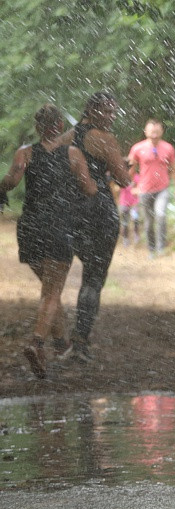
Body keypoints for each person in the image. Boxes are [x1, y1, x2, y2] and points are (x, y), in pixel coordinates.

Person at [0, 104, 97, 376]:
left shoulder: (25, 153)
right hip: (58, 228)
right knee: (52, 293)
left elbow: (11, 181)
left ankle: (61, 343)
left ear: (37, 127)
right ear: (59, 127)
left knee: (49, 291)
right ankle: (36, 343)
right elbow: (89, 188)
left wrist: (2, 187)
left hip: (30, 227)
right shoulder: (73, 153)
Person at [55, 91, 130, 363]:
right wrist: (122, 169)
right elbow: (124, 181)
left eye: (113, 112)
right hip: (99, 211)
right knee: (94, 279)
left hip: (70, 212)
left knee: (57, 280)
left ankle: (57, 337)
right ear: (92, 110)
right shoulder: (106, 140)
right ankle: (80, 342)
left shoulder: (64, 139)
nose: (111, 117)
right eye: (107, 112)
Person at [127, 118, 175, 257]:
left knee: (161, 214)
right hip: (144, 190)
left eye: (157, 131)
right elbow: (130, 169)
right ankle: (151, 249)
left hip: (162, 189)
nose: (154, 135)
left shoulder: (168, 148)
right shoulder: (137, 148)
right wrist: (131, 186)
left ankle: (160, 247)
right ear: (146, 132)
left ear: (162, 132)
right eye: (152, 132)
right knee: (148, 222)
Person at [119, 171, 141, 246]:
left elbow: (140, 188)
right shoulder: (121, 177)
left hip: (134, 203)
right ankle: (125, 238)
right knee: (125, 222)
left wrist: (136, 190)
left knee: (135, 219)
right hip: (124, 203)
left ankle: (136, 235)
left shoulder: (137, 177)